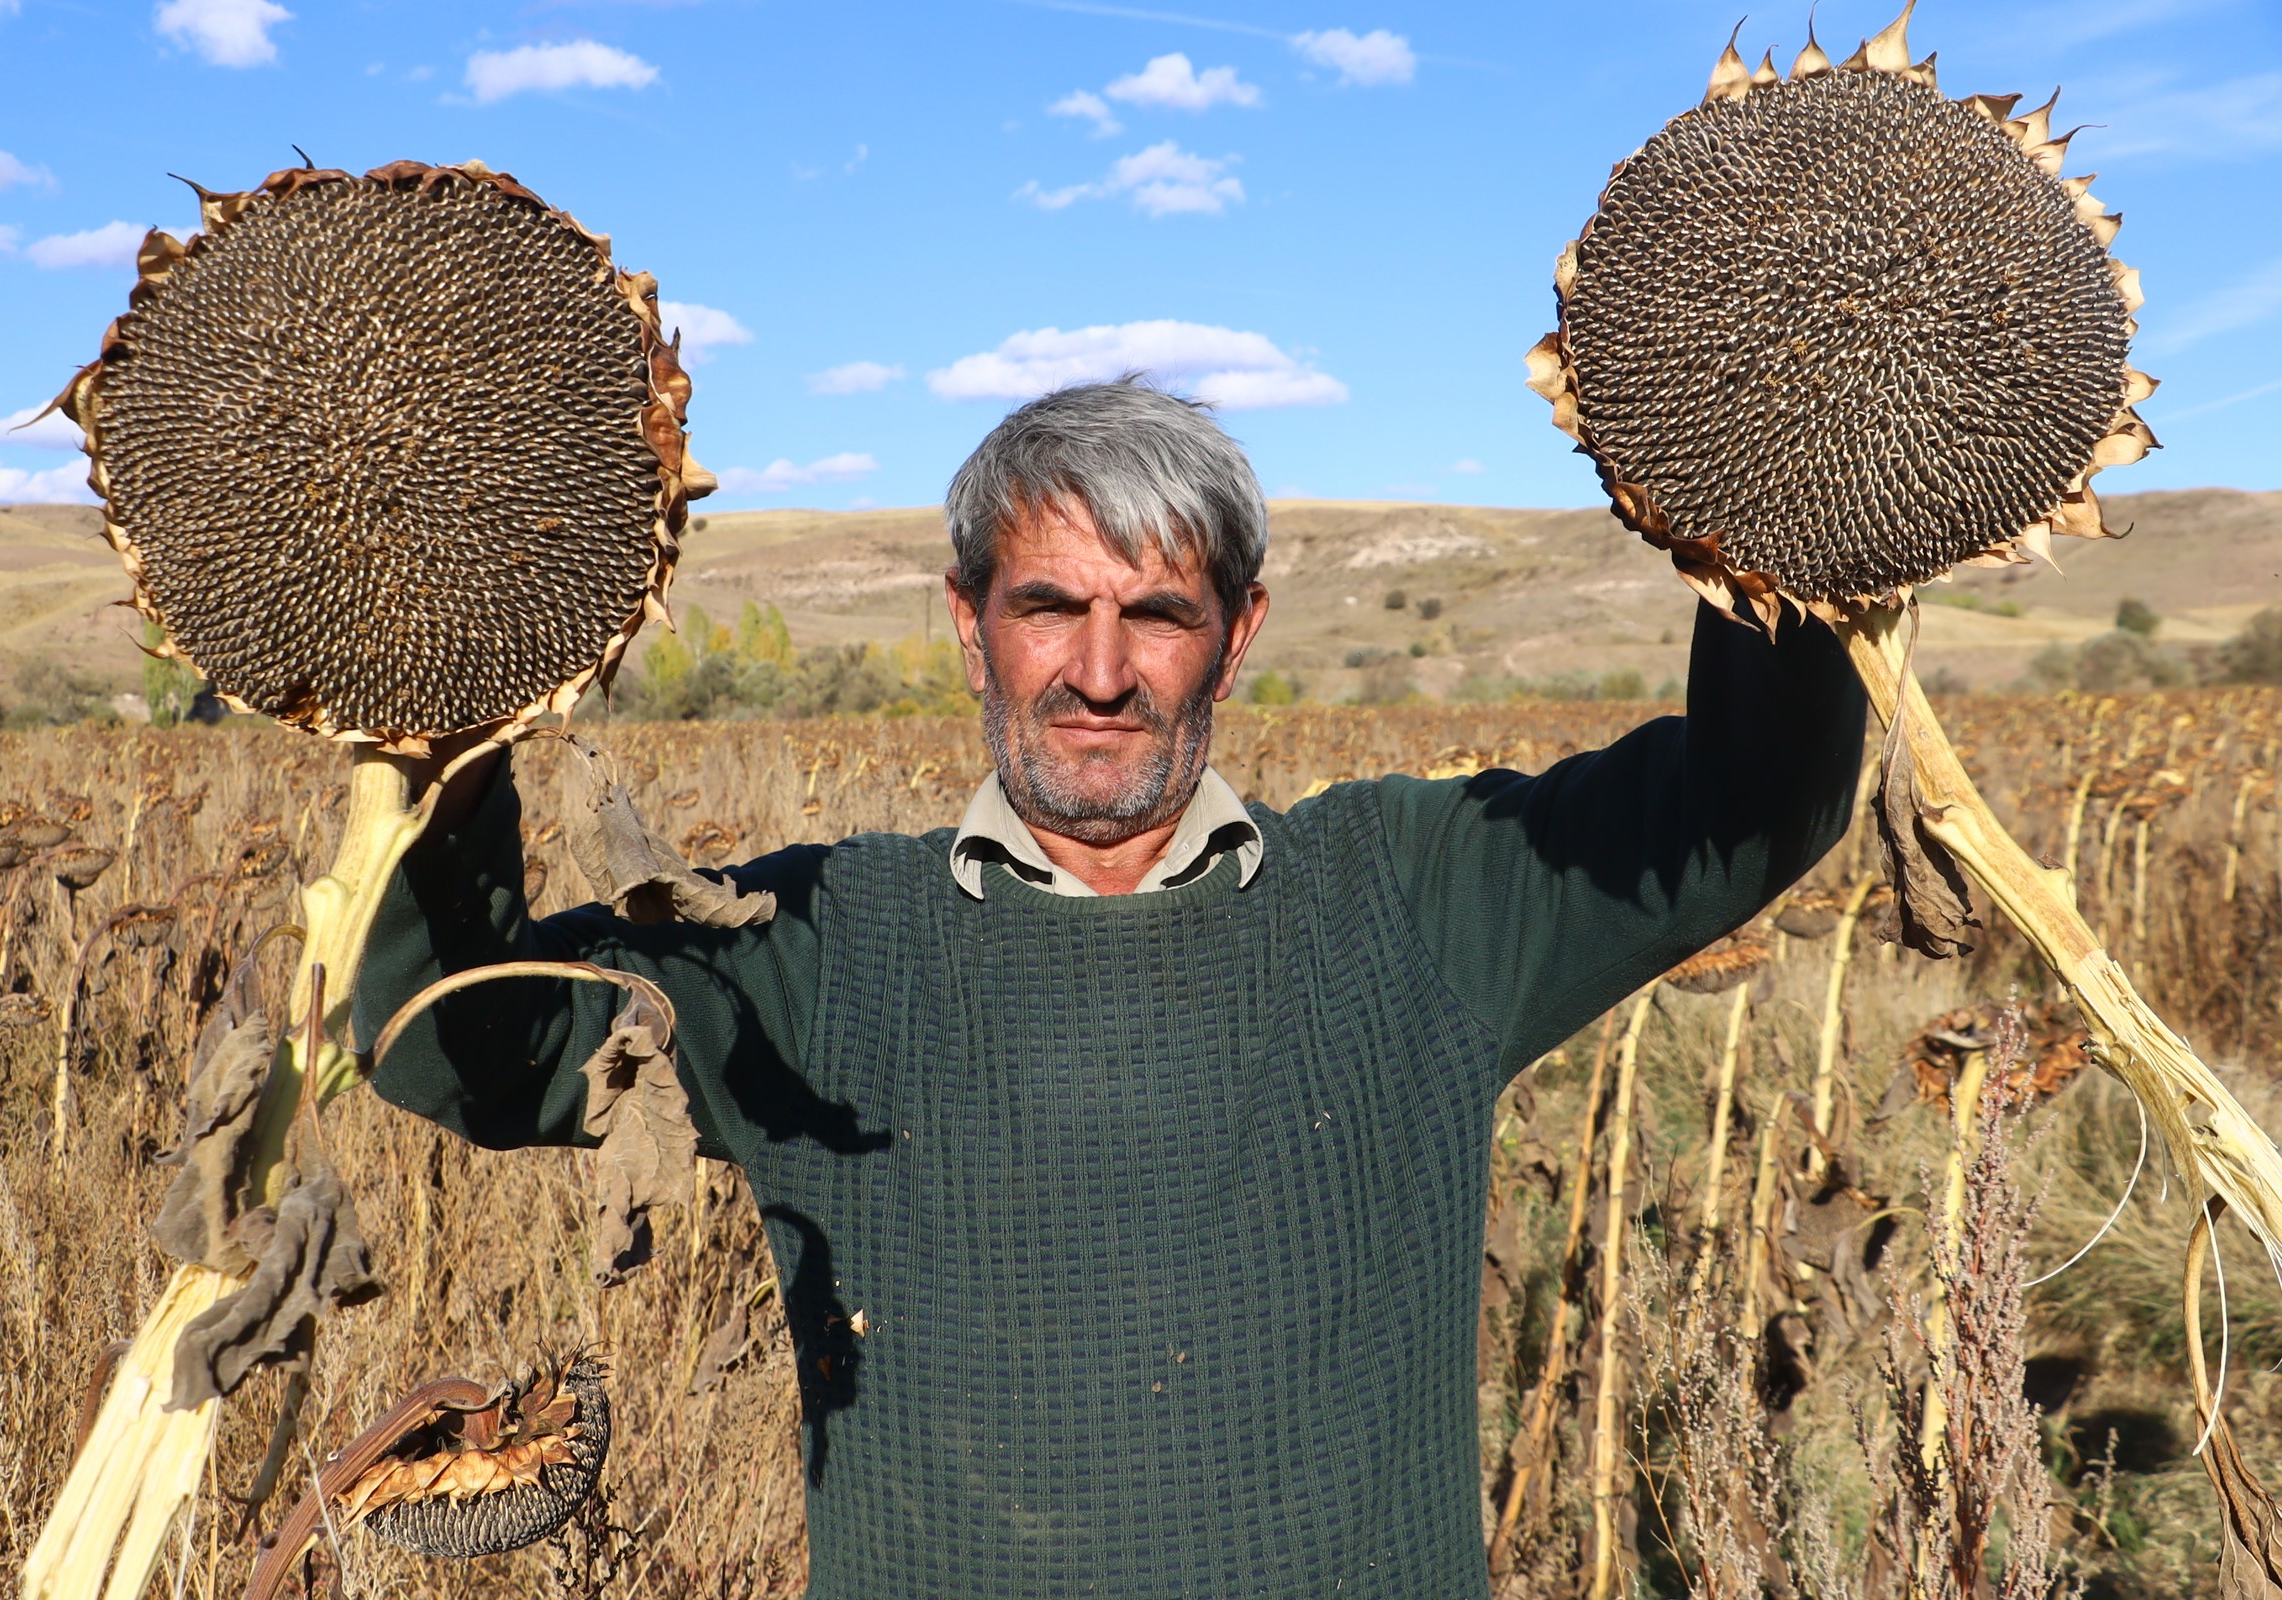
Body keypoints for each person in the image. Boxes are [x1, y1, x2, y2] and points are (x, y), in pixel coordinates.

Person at [359, 377, 1867, 1598]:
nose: (1100, 671)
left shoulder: (1411, 900)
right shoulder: (815, 940)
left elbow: (1754, 804)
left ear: (1239, 636)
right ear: (968, 627)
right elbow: (464, 1048)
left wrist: (1754, 433)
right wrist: (432, 696)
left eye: (1157, 613)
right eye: (1046, 608)